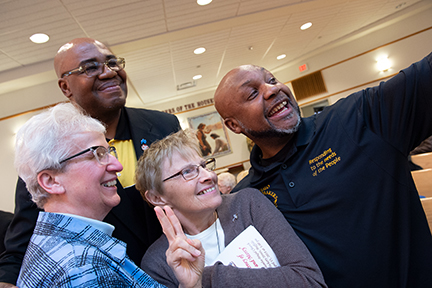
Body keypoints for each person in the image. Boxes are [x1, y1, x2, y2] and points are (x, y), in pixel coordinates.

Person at [213, 53, 432, 288]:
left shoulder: (357, 118)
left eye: (272, 80)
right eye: (253, 94)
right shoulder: (246, 200)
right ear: (234, 125)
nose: (271, 90)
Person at [0, 38, 181, 287]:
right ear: (65, 87)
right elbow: (22, 246)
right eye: (90, 68)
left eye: (112, 62)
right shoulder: (45, 156)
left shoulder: (164, 127)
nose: (109, 72)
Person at [14, 103, 202, 287]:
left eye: (108, 151)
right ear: (51, 181)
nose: (117, 166)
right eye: (97, 154)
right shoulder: (83, 269)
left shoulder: (54, 243)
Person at [135, 130, 327, 288]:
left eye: (203, 165)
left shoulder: (247, 204)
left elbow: (310, 281)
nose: (209, 175)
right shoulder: (158, 263)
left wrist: (208, 277)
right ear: (156, 197)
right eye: (187, 172)